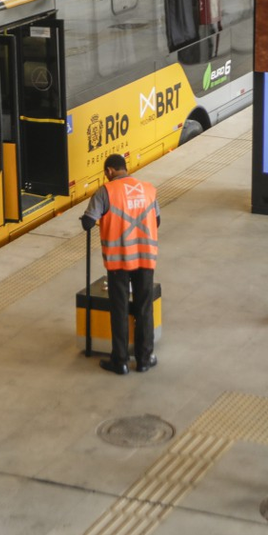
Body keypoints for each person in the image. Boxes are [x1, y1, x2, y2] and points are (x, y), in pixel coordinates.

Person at [81, 154, 161, 375]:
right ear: (125, 168)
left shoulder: (105, 192)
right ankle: (145, 359)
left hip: (118, 261)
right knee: (144, 307)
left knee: (120, 308)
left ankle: (121, 361)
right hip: (145, 257)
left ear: (109, 171)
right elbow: (157, 220)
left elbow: (88, 222)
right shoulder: (148, 189)